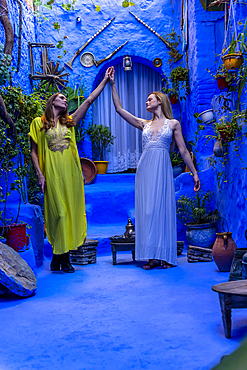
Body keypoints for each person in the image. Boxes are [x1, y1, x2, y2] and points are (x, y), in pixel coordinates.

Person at [108, 66, 200, 270]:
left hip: (162, 168)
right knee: (147, 211)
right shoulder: (144, 124)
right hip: (145, 169)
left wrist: (194, 173)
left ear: (160, 101)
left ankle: (165, 256)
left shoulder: (173, 123)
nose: (146, 102)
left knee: (163, 209)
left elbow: (183, 150)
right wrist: (113, 85)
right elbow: (119, 110)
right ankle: (151, 256)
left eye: (150, 99)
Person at [29, 68, 112, 273]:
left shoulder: (70, 123)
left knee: (71, 214)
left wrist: (104, 82)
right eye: (62, 97)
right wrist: (40, 174)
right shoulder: (38, 123)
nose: (65, 100)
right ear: (52, 101)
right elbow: (33, 152)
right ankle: (60, 256)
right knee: (58, 215)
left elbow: (89, 101)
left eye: (66, 99)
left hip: (72, 176)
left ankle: (62, 259)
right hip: (52, 176)